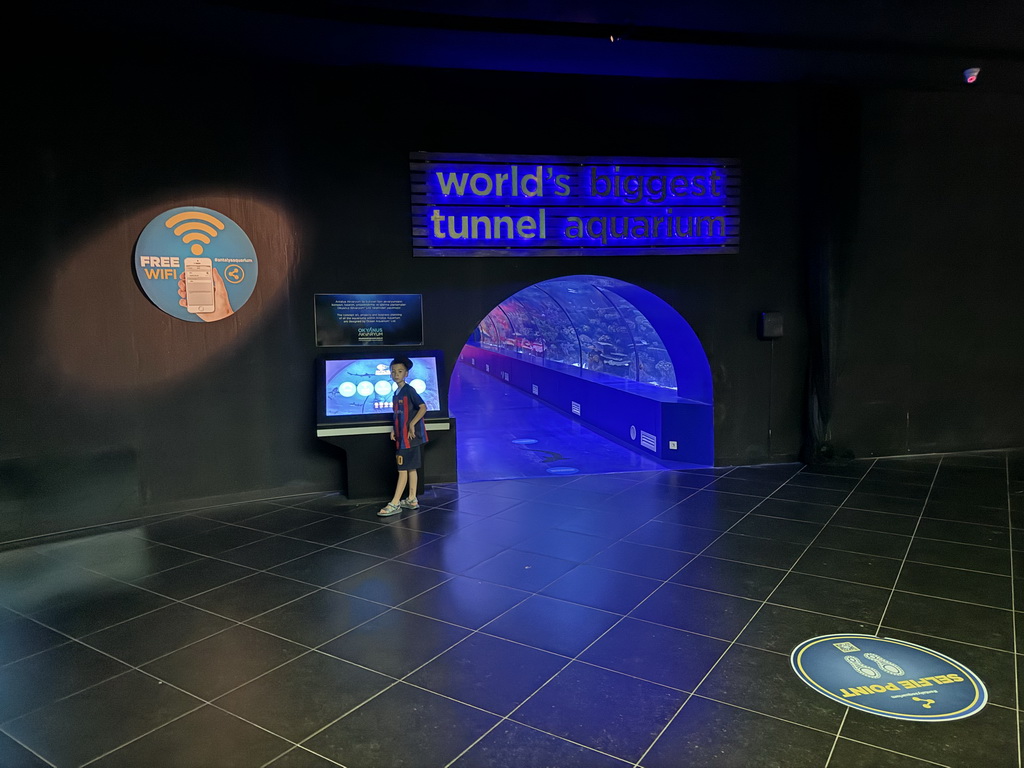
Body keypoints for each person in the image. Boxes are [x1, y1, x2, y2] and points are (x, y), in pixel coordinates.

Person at [378, 356, 428, 516]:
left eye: (399, 371)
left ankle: (394, 503)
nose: (396, 374)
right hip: (401, 437)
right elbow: (397, 414)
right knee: (411, 468)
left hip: (409, 438)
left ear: (406, 373)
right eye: (393, 371)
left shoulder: (409, 390)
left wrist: (412, 424)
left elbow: (423, 407)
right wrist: (394, 429)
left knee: (403, 469)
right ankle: (412, 499)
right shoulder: (396, 392)